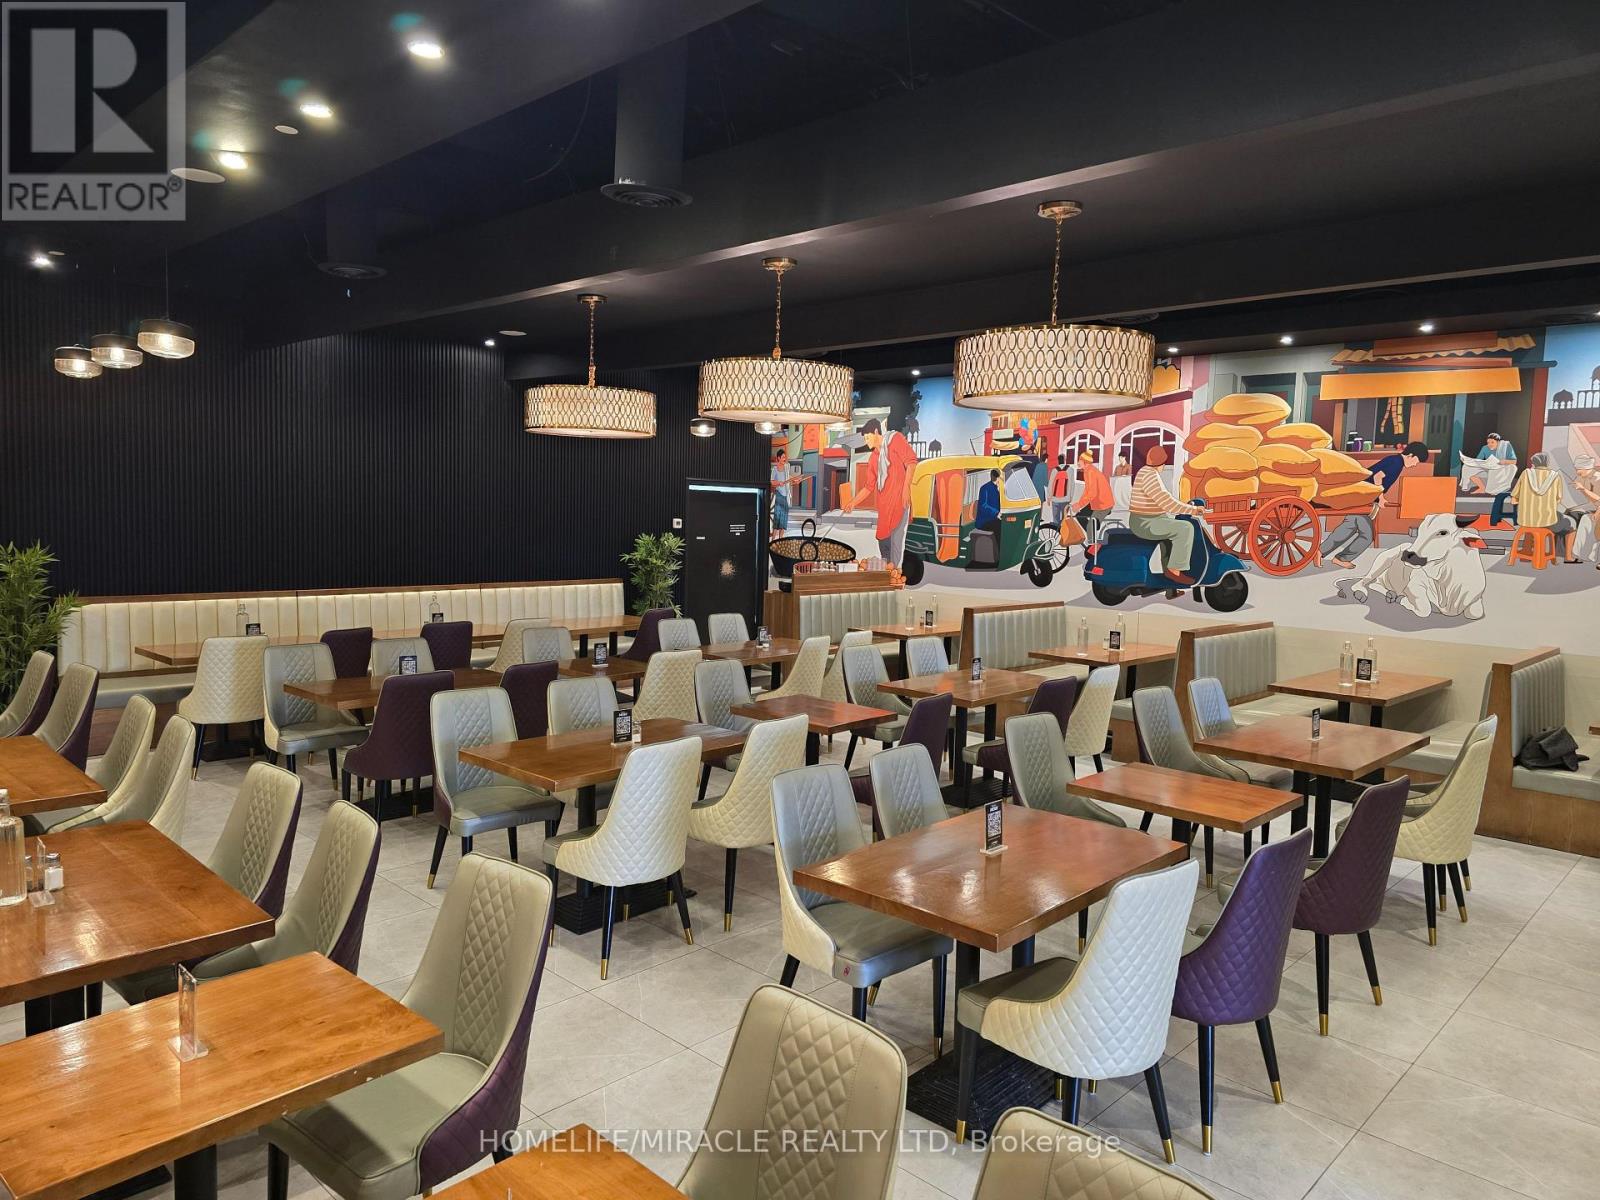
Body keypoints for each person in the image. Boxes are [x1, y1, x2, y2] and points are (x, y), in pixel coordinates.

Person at [1320, 440, 1430, 569]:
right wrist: (1381, 498)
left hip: (1361, 495)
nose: (1415, 464)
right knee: (1366, 535)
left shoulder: (1395, 461)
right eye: (1416, 461)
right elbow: (1378, 477)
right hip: (1362, 495)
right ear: (1411, 455)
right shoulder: (1396, 463)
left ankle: (1324, 552)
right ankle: (1338, 557)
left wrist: (1379, 498)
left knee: (1349, 526)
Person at [846, 418, 918, 567]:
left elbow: (911, 463)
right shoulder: (873, 459)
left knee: (896, 544)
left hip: (899, 502)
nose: (866, 441)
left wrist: (906, 489)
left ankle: (894, 573)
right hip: (884, 508)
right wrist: (853, 502)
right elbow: (868, 487)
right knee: (883, 543)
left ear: (876, 432)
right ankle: (887, 573)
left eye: (867, 437)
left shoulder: (895, 440)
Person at [1129, 446, 1204, 585]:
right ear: (1162, 463)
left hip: (1149, 518)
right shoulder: (1150, 476)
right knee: (1185, 528)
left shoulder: (1145, 471)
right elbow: (1167, 502)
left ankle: (1171, 586)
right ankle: (1174, 570)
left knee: (1171, 533)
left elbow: (1164, 501)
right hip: (1145, 522)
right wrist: (1193, 510)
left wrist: (1187, 508)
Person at [1507, 452, 1578, 562]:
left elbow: (1514, 498)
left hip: (1525, 520)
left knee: (1531, 520)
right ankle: (1568, 557)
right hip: (1547, 521)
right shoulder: (1555, 476)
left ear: (1533, 463)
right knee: (1572, 524)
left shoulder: (1526, 473)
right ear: (1547, 463)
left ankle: (1527, 551)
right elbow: (1558, 499)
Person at [1073, 450, 1115, 540]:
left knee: (1090, 526)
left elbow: (1092, 493)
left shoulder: (1091, 472)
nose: (1078, 462)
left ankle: (1092, 543)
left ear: (1085, 462)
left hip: (1103, 504)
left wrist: (1079, 505)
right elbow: (1087, 491)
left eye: (1080, 460)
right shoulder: (1086, 471)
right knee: (1080, 516)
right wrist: (1079, 504)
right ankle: (1093, 531)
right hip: (1096, 502)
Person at [769, 447, 802, 536]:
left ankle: (781, 539)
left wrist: (795, 480)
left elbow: (788, 477)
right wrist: (778, 483)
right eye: (783, 457)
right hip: (779, 496)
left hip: (786, 496)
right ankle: (773, 540)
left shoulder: (786, 467)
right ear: (778, 458)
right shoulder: (775, 469)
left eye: (785, 457)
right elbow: (772, 482)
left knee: (783, 520)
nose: (784, 459)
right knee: (777, 519)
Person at [1045, 454, 1072, 525]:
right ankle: (1062, 530)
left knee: (1055, 520)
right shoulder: (1070, 470)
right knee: (1064, 520)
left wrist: (1049, 497)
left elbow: (1050, 484)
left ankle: (1056, 529)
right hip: (1066, 499)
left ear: (1058, 461)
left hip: (1055, 499)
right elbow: (1072, 485)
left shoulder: (1054, 470)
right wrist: (1070, 497)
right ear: (1064, 460)